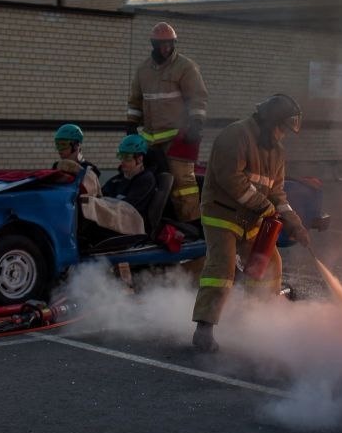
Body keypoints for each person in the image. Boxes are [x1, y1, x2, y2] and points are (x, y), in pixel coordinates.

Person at [191, 94, 312, 353]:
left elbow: (277, 194)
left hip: (252, 220)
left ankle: (258, 320)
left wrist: (295, 224)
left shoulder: (277, 152)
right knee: (222, 268)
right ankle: (204, 329)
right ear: (270, 122)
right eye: (281, 129)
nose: (283, 135)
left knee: (269, 265)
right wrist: (263, 206)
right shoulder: (235, 135)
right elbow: (231, 179)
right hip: (222, 215)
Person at [126, 21, 208, 222]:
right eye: (161, 44)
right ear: (152, 44)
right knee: (150, 182)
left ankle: (192, 224)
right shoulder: (143, 70)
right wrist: (130, 124)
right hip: (149, 140)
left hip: (178, 137)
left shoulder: (185, 67)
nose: (166, 48)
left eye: (170, 44)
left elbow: (197, 97)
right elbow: (136, 100)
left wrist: (196, 124)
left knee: (182, 182)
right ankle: (157, 223)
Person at [79, 135, 157, 241]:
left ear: (139, 159)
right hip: (116, 221)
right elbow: (101, 195)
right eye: (121, 156)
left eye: (127, 157)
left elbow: (129, 208)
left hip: (131, 226)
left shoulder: (146, 179)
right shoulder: (119, 178)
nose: (122, 161)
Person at [53, 123, 100, 196]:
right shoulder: (56, 166)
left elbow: (89, 198)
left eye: (63, 144)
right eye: (57, 145)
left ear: (76, 145)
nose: (59, 149)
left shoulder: (89, 169)